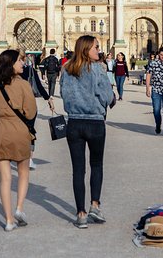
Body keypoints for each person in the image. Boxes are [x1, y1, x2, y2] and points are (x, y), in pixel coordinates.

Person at [60, 35, 114, 229]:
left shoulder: (66, 70)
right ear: (85, 50)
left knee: (78, 169)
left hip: (74, 123)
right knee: (96, 165)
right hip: (95, 123)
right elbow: (107, 95)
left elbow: (64, 95)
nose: (98, 51)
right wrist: (108, 100)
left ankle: (80, 214)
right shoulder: (98, 70)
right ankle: (95, 206)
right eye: (95, 47)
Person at [0, 50, 37, 232]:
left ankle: (8, 220)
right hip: (19, 131)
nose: (23, 64)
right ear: (11, 64)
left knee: (5, 179)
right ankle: (19, 208)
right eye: (19, 61)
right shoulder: (23, 85)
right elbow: (30, 112)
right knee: (23, 172)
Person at [21, 56, 54, 170]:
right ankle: (27, 158)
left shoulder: (26, 70)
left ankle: (29, 158)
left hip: (26, 105)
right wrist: (48, 99)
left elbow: (39, 86)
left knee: (29, 130)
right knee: (28, 131)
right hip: (24, 105)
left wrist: (48, 98)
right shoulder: (10, 72)